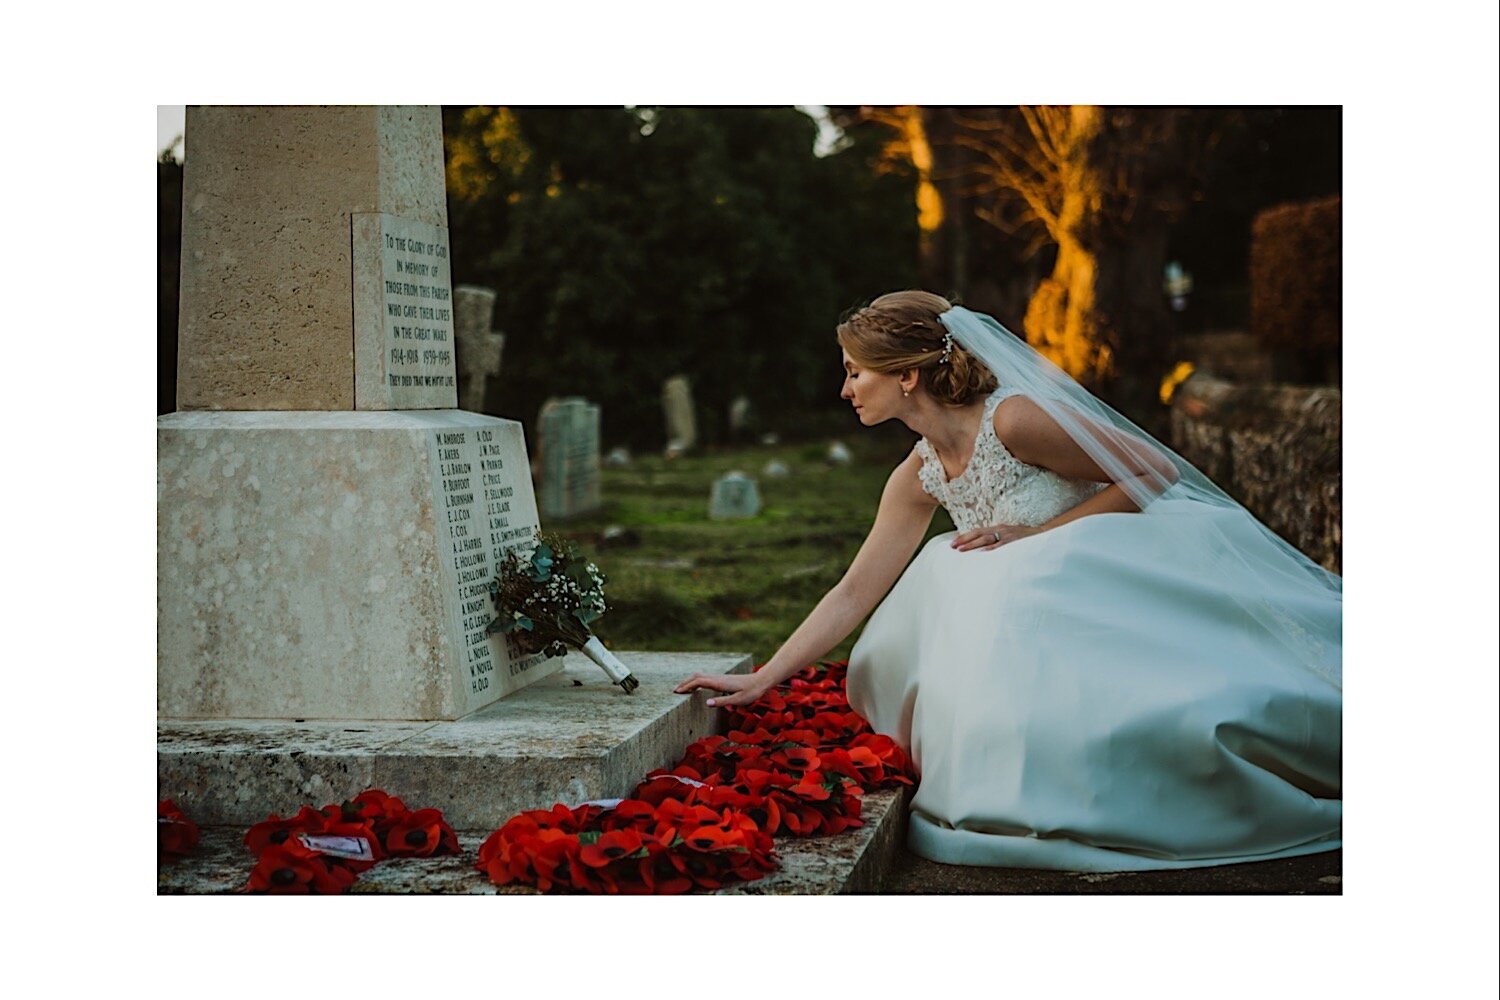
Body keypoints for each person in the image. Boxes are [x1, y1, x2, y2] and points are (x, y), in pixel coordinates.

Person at [674, 290, 1341, 872]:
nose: (844, 391)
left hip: (1115, 586)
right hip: (1040, 635)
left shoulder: (1015, 420)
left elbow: (1152, 472)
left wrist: (1037, 539)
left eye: (855, 373)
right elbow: (855, 589)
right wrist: (764, 677)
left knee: (1003, 574)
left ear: (906, 376)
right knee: (957, 572)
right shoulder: (919, 473)